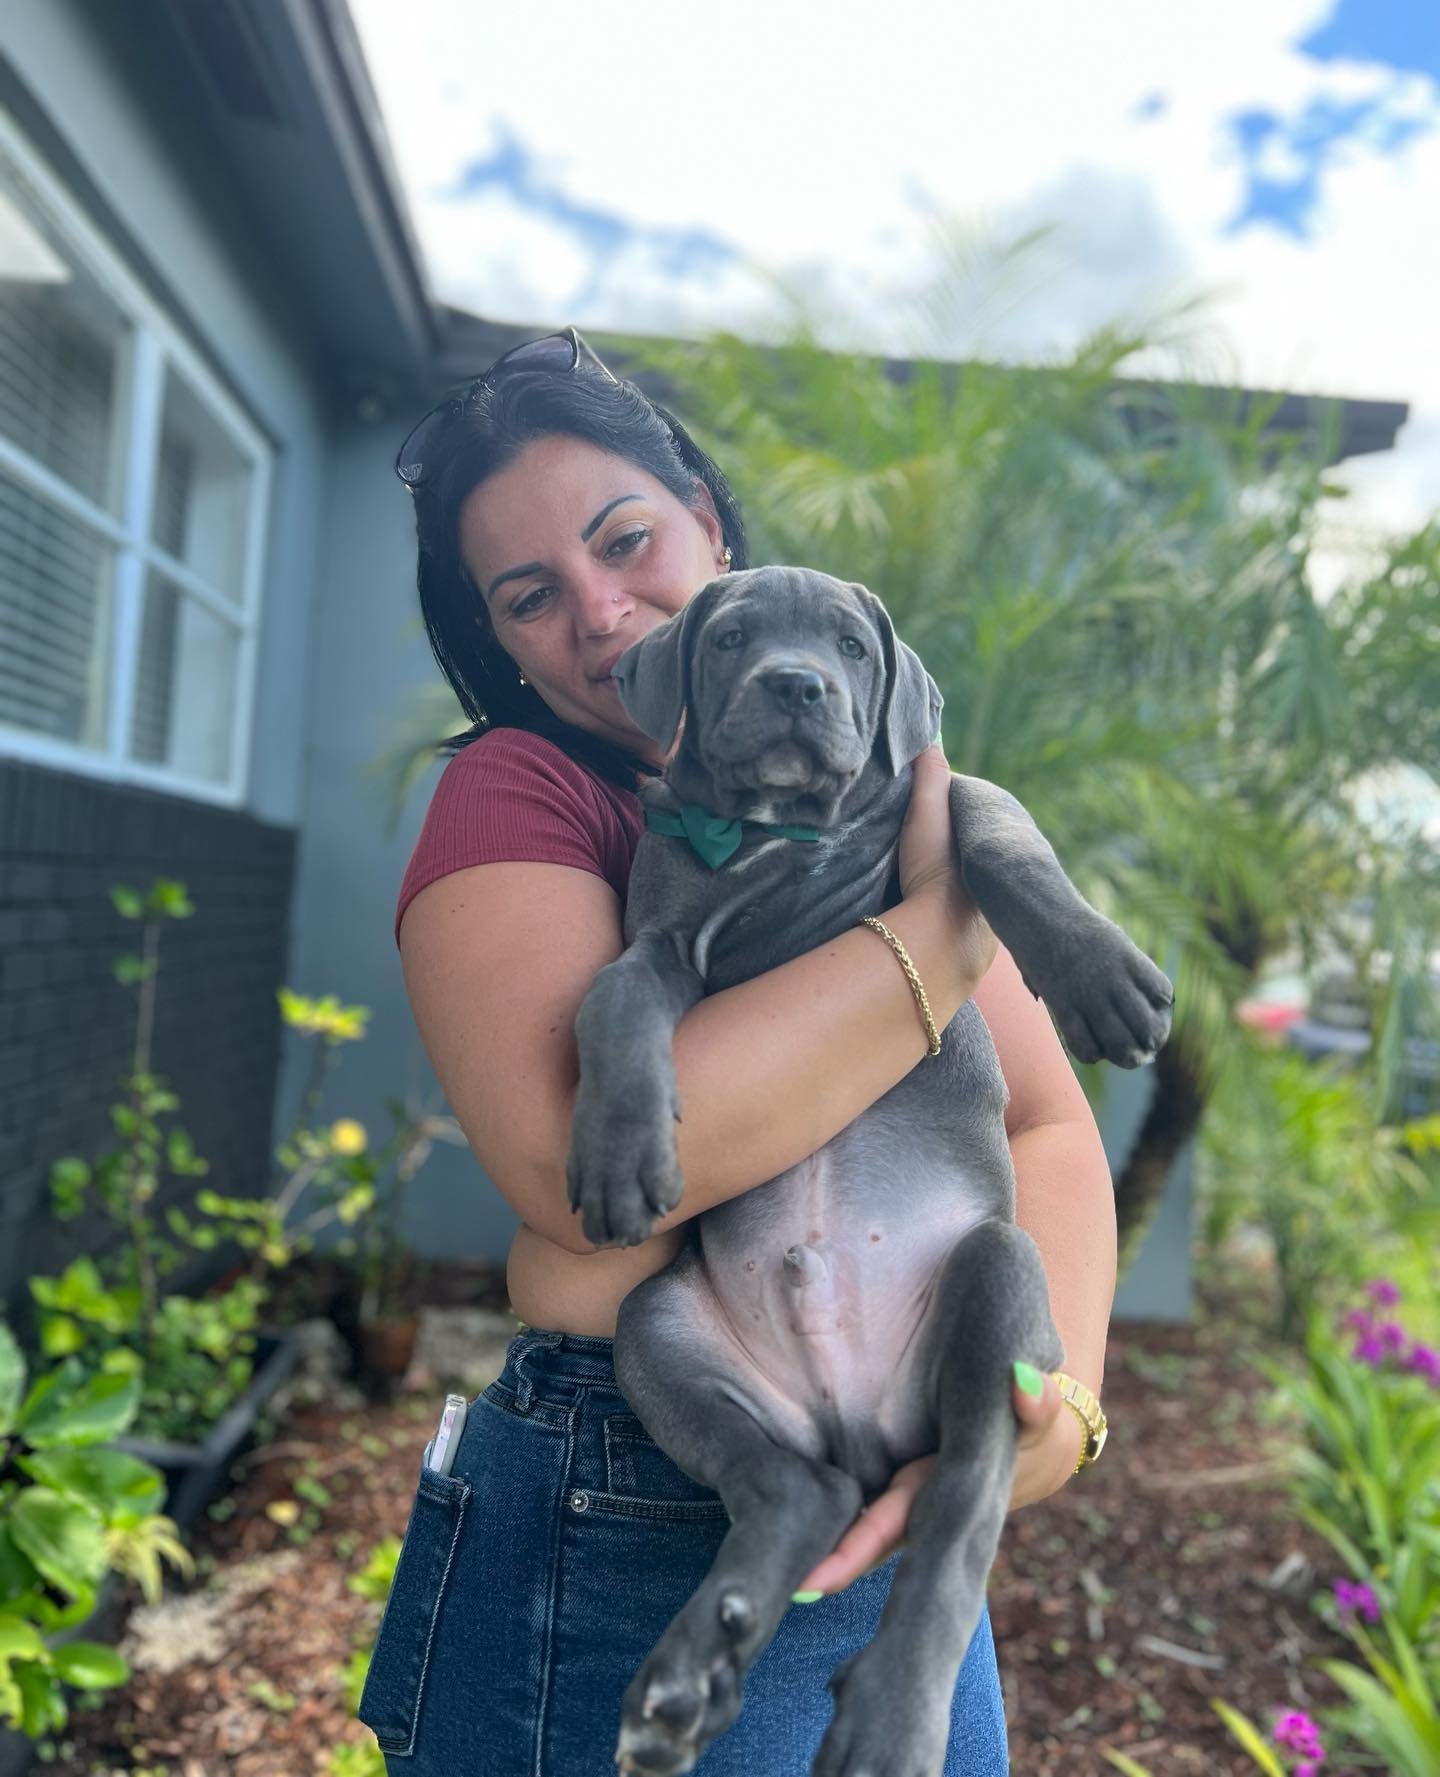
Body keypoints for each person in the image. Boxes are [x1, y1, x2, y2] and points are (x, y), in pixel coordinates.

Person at [361, 329, 1115, 1776]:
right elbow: (575, 1177)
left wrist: (1053, 1408)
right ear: (500, 642)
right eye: (530, 596)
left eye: (627, 538)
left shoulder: (886, 769)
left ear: (707, 517)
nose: (598, 610)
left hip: (921, 1525)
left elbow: (1045, 1124)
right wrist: (941, 928)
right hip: (649, 1497)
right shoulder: (522, 788)